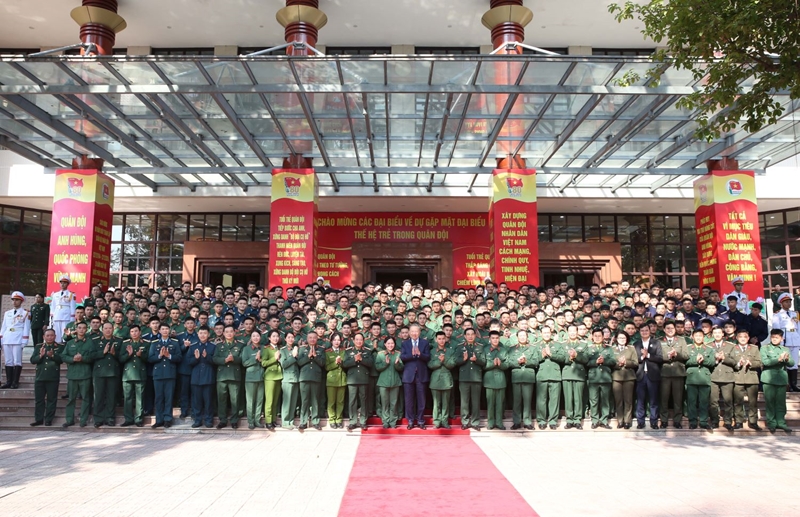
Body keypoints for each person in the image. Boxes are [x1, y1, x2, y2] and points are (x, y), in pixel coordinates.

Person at [148, 322, 182, 429]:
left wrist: (169, 355)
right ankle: (159, 420)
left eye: (167, 329)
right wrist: (159, 356)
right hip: (158, 374)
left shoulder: (175, 343)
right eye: (163, 329)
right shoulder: (154, 343)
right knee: (158, 398)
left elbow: (179, 357)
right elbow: (150, 358)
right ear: (159, 331)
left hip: (170, 373)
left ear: (169, 330)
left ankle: (167, 419)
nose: (165, 331)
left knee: (168, 397)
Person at [61, 321, 94, 428]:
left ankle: (83, 420)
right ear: (76, 329)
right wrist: (72, 359)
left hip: (85, 375)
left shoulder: (90, 342)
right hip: (73, 375)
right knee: (71, 399)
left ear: (87, 329)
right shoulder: (70, 343)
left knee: (85, 398)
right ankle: (69, 419)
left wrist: (83, 358)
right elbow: (63, 356)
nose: (81, 330)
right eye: (79, 328)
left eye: (84, 328)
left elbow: (93, 357)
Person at [760, 329, 794, 433]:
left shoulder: (785, 349)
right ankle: (772, 423)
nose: (774, 339)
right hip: (768, 378)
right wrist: (778, 360)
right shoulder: (764, 348)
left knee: (781, 402)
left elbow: (792, 363)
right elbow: (765, 362)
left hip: (781, 378)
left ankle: (781, 422)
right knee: (770, 402)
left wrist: (787, 359)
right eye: (773, 337)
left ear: (781, 338)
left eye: (777, 338)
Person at [533, 326, 566, 430]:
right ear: (541, 334)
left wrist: (551, 354)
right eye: (544, 332)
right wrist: (542, 356)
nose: (547, 334)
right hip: (542, 375)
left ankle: (553, 421)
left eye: (548, 332)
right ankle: (541, 420)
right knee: (541, 400)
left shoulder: (557, 345)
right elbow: (533, 360)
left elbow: (563, 357)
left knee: (554, 400)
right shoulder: (536, 345)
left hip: (555, 375)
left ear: (551, 333)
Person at [400, 323, 431, 430]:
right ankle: (410, 420)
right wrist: (412, 355)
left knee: (421, 400)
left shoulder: (425, 343)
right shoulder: (405, 343)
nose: (414, 333)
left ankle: (421, 420)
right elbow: (402, 357)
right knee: (409, 400)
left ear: (419, 332)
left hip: (421, 375)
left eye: (416, 331)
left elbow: (428, 357)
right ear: (409, 333)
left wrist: (420, 354)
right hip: (409, 375)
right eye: (412, 331)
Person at [730, 329, 762, 430]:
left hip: (751, 378)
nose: (743, 339)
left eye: (745, 337)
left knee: (753, 402)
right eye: (740, 337)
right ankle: (738, 421)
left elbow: (760, 363)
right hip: (737, 378)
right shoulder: (732, 348)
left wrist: (751, 363)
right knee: (738, 401)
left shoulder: (754, 348)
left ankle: (753, 422)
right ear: (736, 338)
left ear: (748, 338)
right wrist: (738, 364)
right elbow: (730, 362)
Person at [506, 328, 538, 430]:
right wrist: (518, 362)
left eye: (524, 335)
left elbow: (536, 361)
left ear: (527, 337)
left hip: (528, 377)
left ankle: (528, 421)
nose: (522, 337)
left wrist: (526, 361)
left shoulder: (533, 348)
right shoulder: (512, 349)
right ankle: (516, 421)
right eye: (520, 336)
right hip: (517, 376)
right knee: (517, 401)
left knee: (527, 401)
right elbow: (509, 362)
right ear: (517, 338)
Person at [212, 324, 243, 429]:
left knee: (235, 400)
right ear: (223, 333)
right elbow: (215, 359)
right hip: (222, 376)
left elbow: (242, 359)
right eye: (227, 332)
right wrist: (224, 360)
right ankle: (223, 420)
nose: (229, 333)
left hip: (234, 375)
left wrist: (233, 358)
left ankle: (234, 420)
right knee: (222, 400)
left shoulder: (240, 345)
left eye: (231, 331)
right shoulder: (219, 345)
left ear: (234, 332)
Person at [29, 329, 62, 426]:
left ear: (55, 336)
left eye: (52, 335)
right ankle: (39, 419)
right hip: (40, 377)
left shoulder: (59, 347)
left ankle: (49, 419)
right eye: (47, 335)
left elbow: (61, 360)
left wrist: (53, 356)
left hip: (52, 377)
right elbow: (32, 360)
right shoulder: (39, 347)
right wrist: (40, 355)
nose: (50, 337)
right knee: (39, 400)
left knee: (52, 399)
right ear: (44, 337)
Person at [659, 321, 688, 429]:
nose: (670, 330)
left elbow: (686, 355)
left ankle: (677, 420)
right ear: (664, 329)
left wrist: (676, 355)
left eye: (672, 328)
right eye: (667, 328)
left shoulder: (681, 340)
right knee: (664, 398)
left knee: (678, 399)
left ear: (675, 329)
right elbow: (657, 355)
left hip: (678, 373)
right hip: (664, 373)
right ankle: (664, 420)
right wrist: (668, 356)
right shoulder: (659, 340)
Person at [455, 328, 485, 430]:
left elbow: (484, 361)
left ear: (475, 336)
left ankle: (475, 422)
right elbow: (456, 361)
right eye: (468, 334)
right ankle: (465, 421)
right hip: (464, 377)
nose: (470, 336)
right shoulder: (460, 347)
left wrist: (477, 360)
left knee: (476, 402)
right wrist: (463, 360)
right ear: (465, 336)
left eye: (472, 334)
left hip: (476, 377)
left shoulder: (480, 347)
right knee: (464, 402)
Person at [119, 325, 149, 427]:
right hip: (128, 374)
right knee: (127, 398)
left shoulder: (146, 343)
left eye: (136, 331)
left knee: (140, 398)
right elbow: (121, 359)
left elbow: (149, 358)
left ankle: (139, 419)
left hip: (140, 374)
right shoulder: (125, 344)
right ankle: (128, 419)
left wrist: (141, 356)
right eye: (132, 331)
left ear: (140, 332)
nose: (134, 333)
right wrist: (129, 354)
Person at [586, 328, 616, 429]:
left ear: (603, 337)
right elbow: (585, 361)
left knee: (605, 400)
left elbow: (613, 361)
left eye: (600, 336)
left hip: (605, 378)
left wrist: (604, 361)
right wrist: (596, 362)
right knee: (593, 400)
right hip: (593, 378)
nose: (598, 338)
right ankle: (594, 420)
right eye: (595, 336)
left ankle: (604, 420)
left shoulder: (608, 348)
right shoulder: (589, 348)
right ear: (592, 337)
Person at [634, 325, 663, 429]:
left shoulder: (656, 343)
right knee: (640, 400)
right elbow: (634, 359)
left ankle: (654, 422)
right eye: (642, 330)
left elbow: (660, 358)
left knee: (653, 400)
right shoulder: (636, 344)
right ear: (639, 332)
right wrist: (642, 357)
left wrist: (649, 355)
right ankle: (640, 422)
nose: (644, 332)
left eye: (646, 330)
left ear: (650, 331)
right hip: (640, 375)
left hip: (653, 375)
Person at [92, 322, 120, 428]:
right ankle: (98, 419)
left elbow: (122, 357)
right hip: (99, 373)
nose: (108, 330)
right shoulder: (95, 341)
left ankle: (110, 418)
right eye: (106, 328)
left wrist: (114, 354)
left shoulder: (118, 341)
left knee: (111, 397)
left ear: (113, 329)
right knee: (98, 396)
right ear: (102, 329)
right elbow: (90, 355)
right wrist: (102, 353)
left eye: (110, 328)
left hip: (113, 372)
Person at [685, 329, 715, 429]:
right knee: (691, 401)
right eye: (696, 336)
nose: (698, 338)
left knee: (704, 401)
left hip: (704, 378)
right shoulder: (688, 348)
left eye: (700, 336)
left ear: (703, 337)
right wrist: (695, 360)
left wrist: (704, 359)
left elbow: (712, 362)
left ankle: (703, 421)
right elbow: (685, 361)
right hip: (691, 378)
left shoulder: (709, 349)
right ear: (693, 337)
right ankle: (692, 421)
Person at [0, 291, 30, 389]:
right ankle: (8, 381)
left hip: (18, 338)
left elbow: (26, 327)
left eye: (17, 300)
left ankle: (15, 382)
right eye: (13, 300)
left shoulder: (25, 313)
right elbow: (4, 327)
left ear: (21, 301)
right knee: (8, 361)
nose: (14, 302)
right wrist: (1, 338)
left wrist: (24, 341)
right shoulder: (7, 313)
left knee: (17, 361)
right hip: (7, 338)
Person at [561, 325, 588, 430]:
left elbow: (586, 358)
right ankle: (569, 420)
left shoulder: (583, 344)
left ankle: (577, 420)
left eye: (574, 331)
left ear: (577, 332)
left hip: (579, 374)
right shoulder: (563, 345)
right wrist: (569, 357)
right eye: (570, 331)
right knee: (568, 399)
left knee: (578, 399)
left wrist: (576, 355)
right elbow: (561, 357)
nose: (572, 333)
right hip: (567, 373)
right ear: (567, 332)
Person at [188, 325, 216, 429]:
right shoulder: (193, 346)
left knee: (208, 401)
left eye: (205, 333)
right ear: (198, 334)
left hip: (208, 378)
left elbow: (215, 361)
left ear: (208, 334)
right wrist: (196, 358)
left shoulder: (213, 346)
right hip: (196, 378)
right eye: (201, 333)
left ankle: (209, 420)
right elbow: (189, 362)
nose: (203, 335)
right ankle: (197, 420)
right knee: (196, 401)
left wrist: (207, 357)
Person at [344, 333, 374, 431]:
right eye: (357, 340)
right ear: (353, 340)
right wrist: (354, 360)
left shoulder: (367, 351)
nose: (358, 341)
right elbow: (344, 364)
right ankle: (352, 421)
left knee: (363, 400)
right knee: (352, 401)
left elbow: (370, 363)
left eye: (360, 339)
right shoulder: (348, 351)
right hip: (352, 379)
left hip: (363, 379)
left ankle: (363, 421)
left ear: (363, 340)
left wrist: (361, 359)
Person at [708, 327, 736, 430]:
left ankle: (728, 422)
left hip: (727, 376)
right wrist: (715, 359)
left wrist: (725, 358)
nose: (717, 334)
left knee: (728, 401)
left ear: (723, 334)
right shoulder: (708, 346)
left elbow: (734, 362)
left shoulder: (731, 346)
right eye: (715, 333)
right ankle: (714, 421)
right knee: (713, 401)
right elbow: (706, 361)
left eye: (719, 332)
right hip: (713, 376)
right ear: (712, 334)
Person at [297, 331, 325, 430]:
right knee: (304, 401)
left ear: (317, 339)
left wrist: (315, 357)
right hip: (304, 377)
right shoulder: (302, 349)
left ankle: (315, 421)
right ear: (307, 339)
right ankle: (303, 421)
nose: (312, 339)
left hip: (316, 377)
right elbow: (299, 363)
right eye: (310, 338)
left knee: (315, 401)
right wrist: (308, 357)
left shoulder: (321, 350)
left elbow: (322, 363)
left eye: (314, 338)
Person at [772, 293, 800, 391]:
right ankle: (786, 384)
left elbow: (798, 328)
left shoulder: (795, 314)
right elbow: (776, 329)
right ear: (781, 303)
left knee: (794, 363)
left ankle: (794, 385)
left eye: (790, 302)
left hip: (795, 340)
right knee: (785, 363)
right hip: (785, 341)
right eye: (786, 302)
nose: (789, 304)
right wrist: (778, 341)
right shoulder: (777, 315)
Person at [427, 332, 454, 429]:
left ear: (446, 339)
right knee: (436, 403)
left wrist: (444, 360)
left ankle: (445, 421)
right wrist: (439, 361)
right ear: (436, 340)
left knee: (445, 403)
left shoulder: (450, 351)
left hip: (446, 379)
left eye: (443, 338)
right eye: (439, 339)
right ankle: (437, 421)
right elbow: (430, 365)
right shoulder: (432, 351)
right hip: (435, 379)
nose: (441, 340)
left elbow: (452, 364)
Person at [375, 336, 404, 429]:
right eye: (388, 343)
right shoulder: (380, 354)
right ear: (385, 344)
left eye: (392, 343)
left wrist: (397, 364)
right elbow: (377, 368)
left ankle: (393, 421)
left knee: (394, 403)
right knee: (384, 403)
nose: (390, 345)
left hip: (395, 382)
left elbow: (401, 368)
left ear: (395, 344)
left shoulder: (398, 354)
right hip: (383, 382)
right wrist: (385, 363)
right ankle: (385, 421)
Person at [483, 331, 508, 430]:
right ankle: (490, 422)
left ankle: (499, 422)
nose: (495, 340)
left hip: (500, 379)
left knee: (500, 403)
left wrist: (500, 364)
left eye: (497, 338)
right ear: (489, 339)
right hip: (489, 379)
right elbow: (483, 365)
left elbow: (507, 364)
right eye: (493, 338)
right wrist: (493, 364)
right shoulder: (485, 350)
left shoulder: (503, 350)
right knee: (490, 403)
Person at [176, 317, 200, 419]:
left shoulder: (199, 336)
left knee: (195, 392)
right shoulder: (180, 337)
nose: (190, 325)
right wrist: (184, 346)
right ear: (185, 325)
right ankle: (184, 411)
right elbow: (176, 352)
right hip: (184, 368)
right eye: (188, 323)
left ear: (195, 325)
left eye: (192, 323)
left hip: (196, 367)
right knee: (184, 392)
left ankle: (195, 412)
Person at [241, 330, 265, 429]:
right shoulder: (246, 349)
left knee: (259, 400)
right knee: (250, 400)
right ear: (251, 338)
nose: (256, 338)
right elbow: (244, 363)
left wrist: (261, 360)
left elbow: (267, 361)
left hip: (262, 377)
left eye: (257, 336)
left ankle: (257, 420)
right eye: (253, 336)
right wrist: (255, 359)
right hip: (250, 378)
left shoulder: (264, 348)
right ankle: (250, 421)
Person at [260, 329, 283, 430]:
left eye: (277, 336)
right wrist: (274, 358)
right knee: (269, 400)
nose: (275, 338)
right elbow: (263, 363)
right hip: (270, 377)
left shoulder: (280, 348)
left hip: (279, 375)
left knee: (275, 401)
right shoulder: (266, 348)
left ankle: (273, 420)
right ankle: (268, 421)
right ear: (269, 338)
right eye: (273, 336)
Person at [324, 333, 347, 429]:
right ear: (331, 341)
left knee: (340, 401)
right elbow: (326, 367)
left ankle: (339, 419)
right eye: (334, 340)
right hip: (331, 380)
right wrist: (335, 363)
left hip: (342, 379)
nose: (336, 342)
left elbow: (347, 364)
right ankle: (332, 419)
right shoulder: (327, 352)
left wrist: (341, 363)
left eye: (338, 340)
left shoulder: (344, 351)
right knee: (331, 401)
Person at [279, 332, 300, 429]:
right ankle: (285, 421)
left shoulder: (296, 349)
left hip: (296, 378)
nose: (291, 339)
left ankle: (291, 421)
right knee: (287, 401)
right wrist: (293, 356)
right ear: (285, 339)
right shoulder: (282, 350)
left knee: (293, 401)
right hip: (287, 378)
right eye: (289, 337)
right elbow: (284, 364)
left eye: (292, 337)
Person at [49, 275, 77, 343]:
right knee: (57, 335)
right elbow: (53, 307)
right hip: (57, 316)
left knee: (65, 335)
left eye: (64, 283)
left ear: (67, 284)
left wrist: (72, 320)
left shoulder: (71, 294)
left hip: (66, 317)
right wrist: (51, 318)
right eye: (61, 283)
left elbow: (73, 307)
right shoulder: (55, 294)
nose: (62, 284)